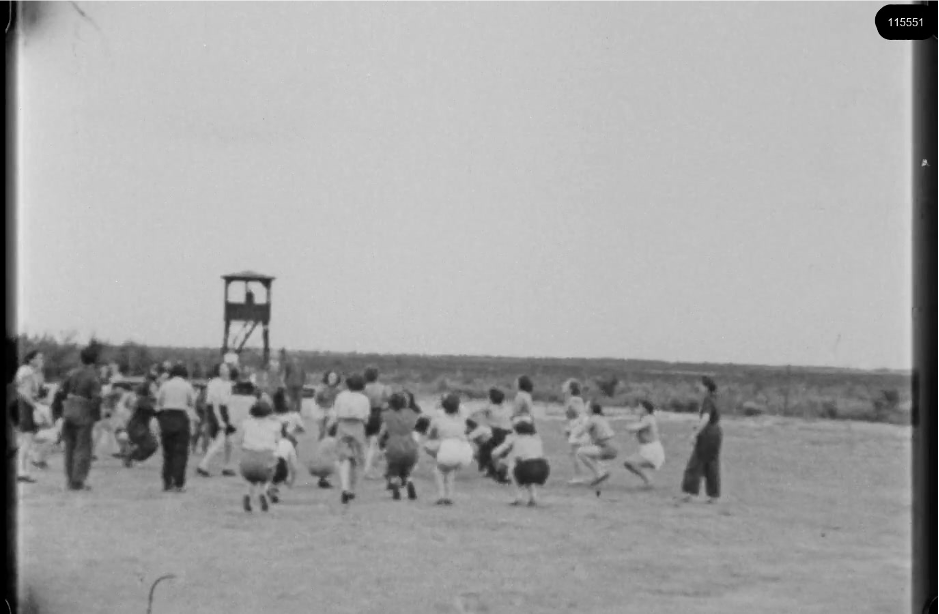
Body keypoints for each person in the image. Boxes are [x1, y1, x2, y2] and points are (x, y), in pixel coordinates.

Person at [58, 343, 104, 491]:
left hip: (69, 411)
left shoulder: (71, 373)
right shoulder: (93, 376)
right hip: (84, 413)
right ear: (94, 360)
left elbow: (61, 392)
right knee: (83, 448)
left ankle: (69, 479)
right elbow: (96, 399)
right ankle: (78, 481)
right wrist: (96, 415)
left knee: (70, 447)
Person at [155, 363, 198, 492]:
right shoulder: (187, 385)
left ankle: (167, 482)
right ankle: (179, 482)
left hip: (166, 416)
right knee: (181, 452)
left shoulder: (165, 385)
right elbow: (191, 402)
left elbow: (159, 401)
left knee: (168, 452)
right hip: (180, 416)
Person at [680, 376, 723, 504]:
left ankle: (689, 493)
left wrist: (695, 433)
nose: (698, 387)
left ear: (705, 387)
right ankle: (713, 495)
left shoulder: (707, 400)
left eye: (700, 385)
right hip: (716, 433)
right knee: (711, 464)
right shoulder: (714, 399)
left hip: (707, 434)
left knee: (695, 463)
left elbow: (706, 418)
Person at [329, 373, 371, 505]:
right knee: (357, 459)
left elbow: (334, 414)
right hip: (358, 426)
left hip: (343, 425)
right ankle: (352, 488)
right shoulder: (364, 399)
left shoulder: (341, 396)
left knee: (344, 458)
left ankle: (344, 487)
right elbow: (366, 418)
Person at [427, 393, 474, 505]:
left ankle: (441, 495)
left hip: (448, 447)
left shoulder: (438, 417)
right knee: (450, 469)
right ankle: (450, 496)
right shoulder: (463, 416)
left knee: (438, 471)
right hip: (464, 450)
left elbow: (430, 434)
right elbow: (462, 409)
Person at [491, 417, 550, 506]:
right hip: (543, 468)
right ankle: (533, 497)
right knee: (526, 466)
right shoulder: (536, 438)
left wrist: (496, 465)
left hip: (527, 467)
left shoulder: (514, 438)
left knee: (513, 465)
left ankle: (518, 496)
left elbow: (495, 453)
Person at [238, 397, 282, 512]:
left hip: (248, 461)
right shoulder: (275, 425)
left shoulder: (246, 423)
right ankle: (262, 492)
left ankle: (247, 493)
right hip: (265, 462)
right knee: (268, 470)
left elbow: (240, 441)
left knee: (251, 477)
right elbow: (278, 441)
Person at [196, 363, 237, 478]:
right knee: (220, 440)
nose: (226, 370)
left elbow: (228, 403)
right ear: (218, 371)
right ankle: (203, 465)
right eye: (222, 368)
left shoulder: (228, 384)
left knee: (229, 442)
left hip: (224, 411)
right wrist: (220, 421)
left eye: (227, 368)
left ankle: (227, 466)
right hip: (215, 411)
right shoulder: (214, 383)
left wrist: (230, 418)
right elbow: (214, 404)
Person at [378, 392, 420, 501]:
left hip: (394, 446)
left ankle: (395, 483)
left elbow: (382, 432)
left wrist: (381, 445)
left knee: (393, 469)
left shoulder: (387, 415)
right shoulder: (411, 414)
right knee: (406, 468)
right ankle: (409, 480)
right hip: (410, 446)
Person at [13, 350, 44, 483]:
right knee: (27, 440)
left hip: (22, 406)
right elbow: (26, 393)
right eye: (39, 358)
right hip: (25, 407)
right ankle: (21, 471)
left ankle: (22, 469)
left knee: (27, 440)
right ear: (31, 359)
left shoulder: (27, 371)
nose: (41, 360)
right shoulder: (27, 372)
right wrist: (37, 407)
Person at [622, 400, 666, 488]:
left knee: (630, 462)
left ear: (645, 409)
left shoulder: (648, 418)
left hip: (652, 450)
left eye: (639, 407)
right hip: (646, 449)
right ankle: (648, 481)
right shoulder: (644, 418)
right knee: (628, 463)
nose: (637, 409)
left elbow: (637, 427)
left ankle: (649, 481)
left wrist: (630, 427)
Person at [574, 401, 619, 487]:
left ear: (590, 409)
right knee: (589, 453)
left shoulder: (592, 419)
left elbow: (578, 433)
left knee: (580, 452)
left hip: (607, 448)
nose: (584, 408)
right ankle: (601, 475)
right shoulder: (600, 418)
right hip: (613, 447)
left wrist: (580, 421)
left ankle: (600, 474)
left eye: (586, 406)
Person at [478, 388, 512, 483]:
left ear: (491, 399)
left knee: (484, 449)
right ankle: (491, 470)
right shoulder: (506, 407)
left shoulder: (490, 407)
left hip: (499, 433)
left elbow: (476, 412)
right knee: (488, 448)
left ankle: (493, 471)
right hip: (508, 433)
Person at [122, 381, 159, 468]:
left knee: (151, 445)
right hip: (137, 428)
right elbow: (152, 411)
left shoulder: (143, 400)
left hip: (138, 427)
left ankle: (130, 456)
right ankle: (130, 456)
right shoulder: (143, 400)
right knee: (151, 445)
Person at [362, 366, 391, 479]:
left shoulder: (363, 388)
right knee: (374, 444)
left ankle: (367, 466)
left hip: (365, 414)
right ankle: (368, 468)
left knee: (367, 443)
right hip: (378, 415)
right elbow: (388, 402)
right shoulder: (383, 388)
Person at [563, 380, 590, 484]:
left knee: (574, 453)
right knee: (574, 452)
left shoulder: (573, 400)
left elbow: (579, 414)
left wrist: (571, 429)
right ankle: (580, 475)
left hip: (578, 427)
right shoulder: (574, 399)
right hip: (576, 426)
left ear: (570, 389)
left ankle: (579, 476)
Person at [267, 426, 299, 504]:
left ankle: (270, 488)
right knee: (281, 476)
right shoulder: (289, 444)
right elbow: (294, 468)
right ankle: (273, 489)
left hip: (267, 466)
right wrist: (291, 482)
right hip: (280, 468)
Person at [314, 371, 342, 440]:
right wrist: (322, 395)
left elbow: (339, 401)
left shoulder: (338, 389)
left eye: (334, 378)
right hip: (320, 407)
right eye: (331, 377)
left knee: (333, 419)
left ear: (337, 379)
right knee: (320, 425)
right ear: (327, 378)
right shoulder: (321, 387)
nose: (332, 379)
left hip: (331, 408)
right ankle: (322, 433)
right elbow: (316, 399)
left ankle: (328, 432)